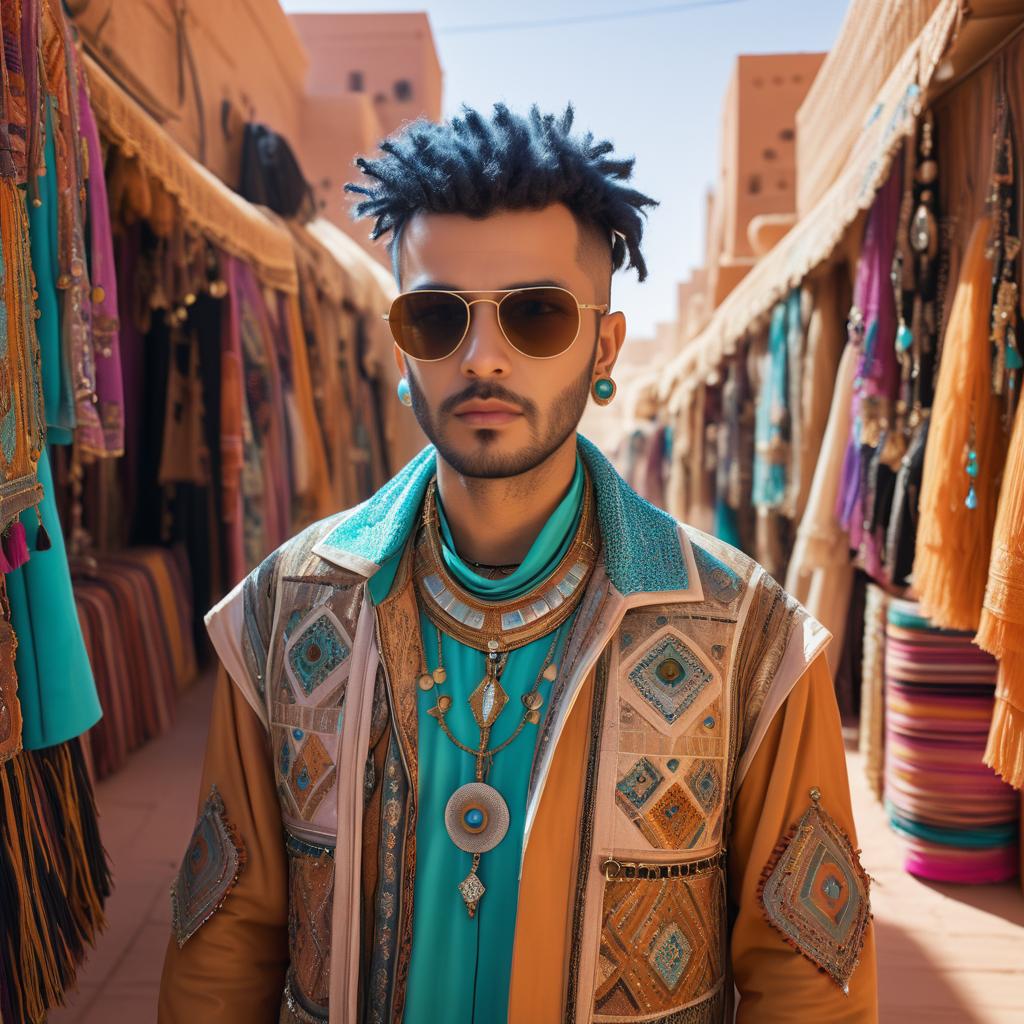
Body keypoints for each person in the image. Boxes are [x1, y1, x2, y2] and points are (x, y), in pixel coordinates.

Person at [158, 102, 877, 1023]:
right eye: (438, 316)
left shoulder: (748, 635)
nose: (483, 357)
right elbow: (225, 945)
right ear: (400, 342)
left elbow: (807, 979)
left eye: (536, 314)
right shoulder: (286, 610)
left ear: (604, 345)